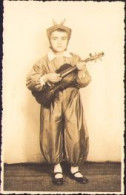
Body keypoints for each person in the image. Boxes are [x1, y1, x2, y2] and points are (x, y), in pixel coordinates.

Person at [26, 20, 91, 185]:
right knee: (51, 132)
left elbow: (84, 82)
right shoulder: (43, 61)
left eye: (63, 38)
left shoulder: (75, 59)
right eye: (55, 38)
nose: (59, 42)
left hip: (72, 100)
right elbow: (30, 81)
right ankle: (57, 169)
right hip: (51, 101)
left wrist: (82, 70)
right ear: (49, 40)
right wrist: (46, 77)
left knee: (74, 133)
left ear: (68, 40)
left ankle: (75, 168)